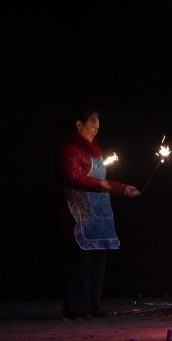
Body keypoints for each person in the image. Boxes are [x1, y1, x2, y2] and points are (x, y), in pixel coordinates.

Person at [58, 107, 141, 321]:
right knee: (80, 264)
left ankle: (92, 306)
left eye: (98, 126)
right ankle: (75, 309)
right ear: (79, 124)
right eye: (92, 125)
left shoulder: (95, 150)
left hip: (100, 216)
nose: (96, 130)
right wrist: (105, 185)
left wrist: (122, 188)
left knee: (97, 265)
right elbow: (73, 177)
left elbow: (102, 181)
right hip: (81, 216)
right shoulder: (70, 149)